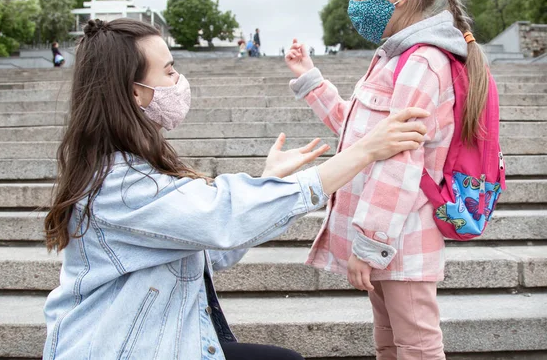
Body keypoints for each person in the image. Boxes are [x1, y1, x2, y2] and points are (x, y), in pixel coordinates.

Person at [42, 18, 429, 360]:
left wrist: (268, 181)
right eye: (170, 71)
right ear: (135, 92)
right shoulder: (121, 185)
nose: (179, 82)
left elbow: (210, 248)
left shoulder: (129, 168)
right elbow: (222, 216)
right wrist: (365, 150)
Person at [285, 0, 490, 360]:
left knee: (416, 349)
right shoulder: (395, 58)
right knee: (389, 345)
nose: (353, 6)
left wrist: (368, 245)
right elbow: (364, 137)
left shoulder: (420, 62)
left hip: (401, 241)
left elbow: (400, 161)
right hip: (388, 243)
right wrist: (310, 80)